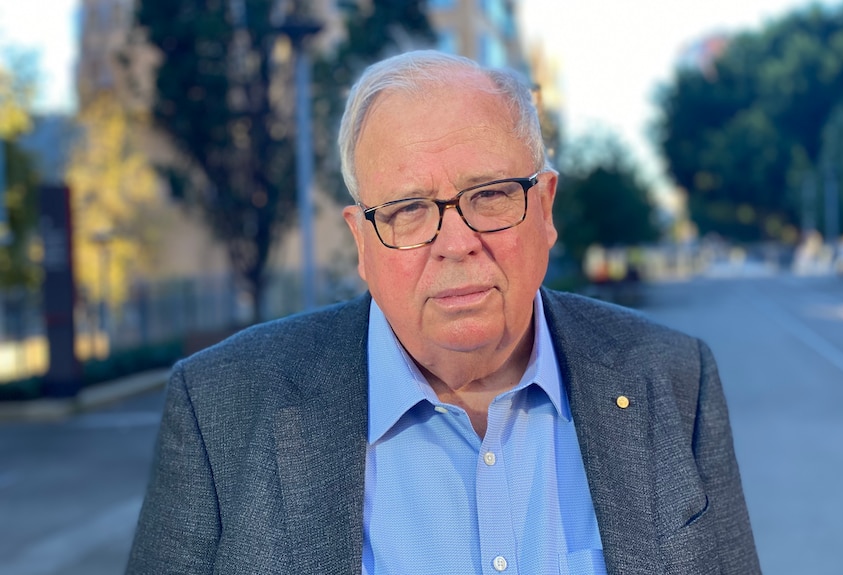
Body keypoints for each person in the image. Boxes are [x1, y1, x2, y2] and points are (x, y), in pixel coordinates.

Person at [126, 50, 760, 575]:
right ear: (361, 243)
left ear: (545, 207)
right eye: (406, 210)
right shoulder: (219, 409)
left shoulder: (674, 381)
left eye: (489, 195)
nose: (456, 242)